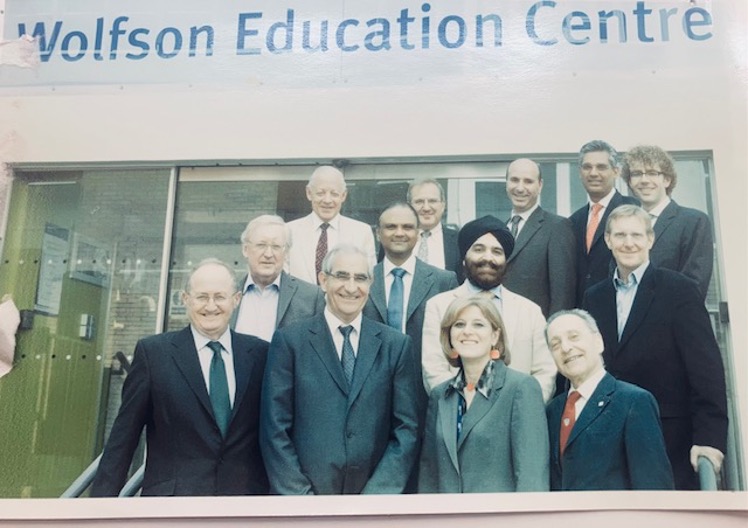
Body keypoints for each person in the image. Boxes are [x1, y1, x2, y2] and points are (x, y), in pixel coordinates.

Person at [92, 259, 269, 496]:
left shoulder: (261, 354)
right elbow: (123, 438)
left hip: (244, 503)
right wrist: (99, 508)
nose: (211, 306)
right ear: (186, 299)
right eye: (202, 297)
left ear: (236, 300)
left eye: (220, 297)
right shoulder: (153, 354)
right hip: (172, 506)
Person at [582, 205, 728, 490]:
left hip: (669, 437)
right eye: (620, 235)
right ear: (608, 241)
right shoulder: (594, 297)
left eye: (637, 234)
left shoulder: (680, 290)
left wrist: (710, 439)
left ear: (650, 240)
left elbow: (706, 371)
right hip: (609, 440)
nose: (629, 242)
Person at [260, 244, 420, 494]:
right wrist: (302, 499)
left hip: (375, 506)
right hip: (305, 505)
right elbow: (274, 428)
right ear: (323, 280)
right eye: (342, 276)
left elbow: (406, 429)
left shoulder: (395, 346)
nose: (351, 287)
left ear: (371, 284)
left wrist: (376, 498)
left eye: (360, 278)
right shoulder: (290, 342)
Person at [418, 296, 549, 493]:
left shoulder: (521, 388)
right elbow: (429, 475)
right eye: (459, 324)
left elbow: (532, 477)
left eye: (478, 324)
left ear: (495, 336)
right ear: (449, 335)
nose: (467, 331)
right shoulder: (440, 395)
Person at [421, 215, 557, 402]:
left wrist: (519, 409)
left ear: (506, 262)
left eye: (497, 251)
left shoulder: (530, 311)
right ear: (464, 258)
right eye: (479, 249)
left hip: (515, 420)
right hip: (459, 420)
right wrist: (466, 409)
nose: (488, 258)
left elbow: (545, 372)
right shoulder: (439, 306)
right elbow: (434, 371)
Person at [545, 309, 674, 490]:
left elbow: (654, 487)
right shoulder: (552, 411)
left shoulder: (633, 401)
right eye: (555, 345)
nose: (565, 348)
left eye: (574, 337)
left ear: (598, 342)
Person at [364, 202, 458, 397]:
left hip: (423, 389)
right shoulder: (362, 279)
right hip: (370, 388)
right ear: (378, 234)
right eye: (391, 227)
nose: (399, 233)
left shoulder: (443, 281)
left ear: (418, 233)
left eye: (407, 227)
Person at [621, 145, 713, 300]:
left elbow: (694, 286)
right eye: (637, 174)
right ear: (629, 182)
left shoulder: (693, 221)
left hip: (673, 320)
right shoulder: (623, 225)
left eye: (652, 173)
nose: (644, 180)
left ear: (667, 180)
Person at [502, 158, 577, 317]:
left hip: (536, 331)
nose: (520, 188)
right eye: (514, 180)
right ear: (506, 183)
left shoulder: (557, 227)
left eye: (528, 181)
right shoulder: (500, 229)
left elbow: (562, 293)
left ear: (540, 185)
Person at [232, 214, 325, 341]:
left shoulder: (311, 297)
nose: (268, 254)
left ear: (286, 253)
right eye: (261, 245)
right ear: (245, 249)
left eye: (276, 246)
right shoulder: (228, 292)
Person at [569, 140, 638, 305]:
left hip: (623, 310)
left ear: (616, 171)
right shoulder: (574, 220)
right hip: (583, 314)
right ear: (580, 172)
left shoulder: (634, 209)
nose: (593, 173)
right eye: (587, 167)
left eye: (601, 167)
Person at [286, 165, 376, 284]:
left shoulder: (362, 232)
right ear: (309, 193)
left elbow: (367, 279)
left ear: (343, 195)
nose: (327, 200)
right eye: (320, 193)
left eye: (334, 194)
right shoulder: (288, 231)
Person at [407, 178, 461, 275]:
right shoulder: (397, 239)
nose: (426, 208)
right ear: (409, 206)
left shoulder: (459, 240)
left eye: (432, 201)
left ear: (443, 205)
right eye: (419, 202)